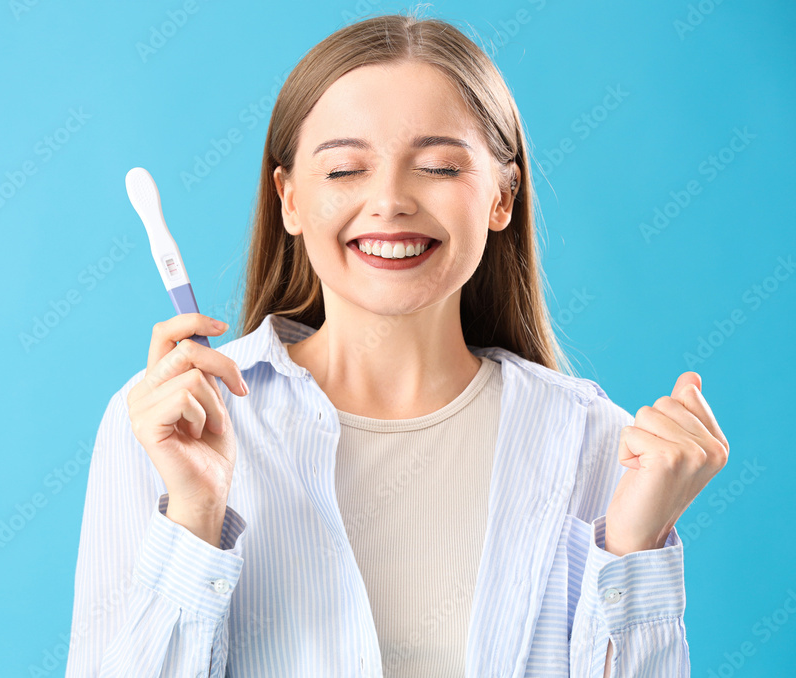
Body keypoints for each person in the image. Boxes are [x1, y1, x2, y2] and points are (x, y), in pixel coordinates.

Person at [64, 11, 729, 677]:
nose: (389, 201)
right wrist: (196, 516)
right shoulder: (169, 427)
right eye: (346, 169)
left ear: (502, 196)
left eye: (438, 166)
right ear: (289, 199)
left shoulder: (597, 446)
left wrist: (636, 549)